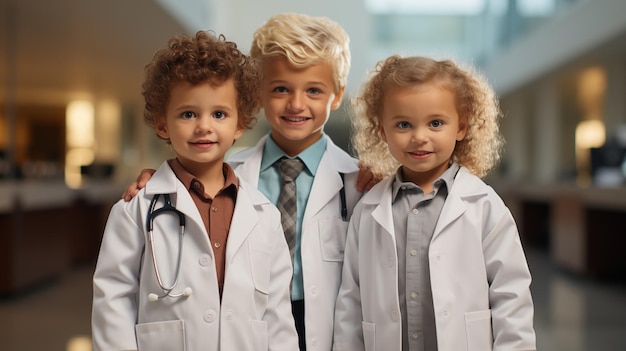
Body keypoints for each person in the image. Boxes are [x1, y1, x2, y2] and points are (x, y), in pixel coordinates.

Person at [121, 13, 376, 351]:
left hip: (331, 329)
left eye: (314, 90)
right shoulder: (225, 174)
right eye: (280, 88)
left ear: (338, 94)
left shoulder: (363, 182)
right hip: (245, 323)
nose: (296, 104)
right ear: (257, 93)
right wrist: (158, 180)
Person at [91, 31, 299, 351]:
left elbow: (278, 315)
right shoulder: (135, 209)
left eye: (219, 114)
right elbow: (113, 301)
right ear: (162, 124)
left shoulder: (264, 215)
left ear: (239, 124)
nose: (204, 126)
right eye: (188, 114)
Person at [332, 55, 536, 351]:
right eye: (403, 124)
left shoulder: (485, 206)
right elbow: (350, 300)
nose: (419, 137)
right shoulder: (368, 210)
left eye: (436, 123)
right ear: (382, 131)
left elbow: (512, 298)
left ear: (461, 127)